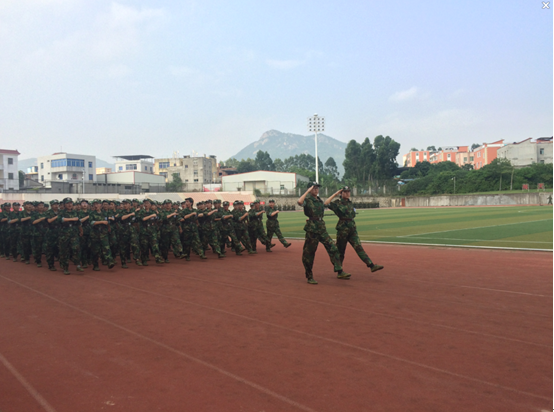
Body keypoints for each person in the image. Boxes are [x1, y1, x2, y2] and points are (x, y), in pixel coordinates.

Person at [297, 182, 350, 284]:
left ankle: (339, 270)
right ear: (310, 189)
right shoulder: (307, 200)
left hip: (321, 228)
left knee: (333, 247)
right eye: (314, 188)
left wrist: (336, 194)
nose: (316, 190)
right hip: (312, 230)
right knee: (309, 254)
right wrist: (307, 191)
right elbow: (299, 202)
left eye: (317, 188)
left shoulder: (319, 200)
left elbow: (326, 203)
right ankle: (309, 276)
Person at [325, 187, 384, 273]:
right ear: (341, 193)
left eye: (348, 192)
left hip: (352, 228)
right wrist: (335, 194)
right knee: (340, 251)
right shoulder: (337, 203)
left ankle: (371, 265)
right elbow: (326, 203)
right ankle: (340, 271)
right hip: (343, 230)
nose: (347, 193)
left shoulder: (350, 203)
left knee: (358, 247)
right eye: (345, 192)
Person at [57, 198, 84, 275]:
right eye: (68, 203)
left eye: (71, 203)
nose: (69, 205)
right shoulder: (61, 212)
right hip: (64, 235)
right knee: (64, 251)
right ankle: (65, 268)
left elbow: (78, 223)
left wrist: (81, 231)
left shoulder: (75, 212)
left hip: (74, 234)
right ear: (64, 205)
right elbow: (61, 220)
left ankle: (78, 265)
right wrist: (73, 219)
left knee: (76, 248)